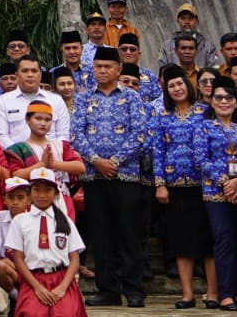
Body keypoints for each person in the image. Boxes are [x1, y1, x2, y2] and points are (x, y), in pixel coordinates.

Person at [71, 47, 147, 307]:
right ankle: (108, 290)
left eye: (108, 66)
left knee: (129, 234)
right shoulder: (82, 98)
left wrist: (113, 162)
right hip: (94, 177)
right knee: (102, 236)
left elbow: (139, 134)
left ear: (119, 69)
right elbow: (76, 135)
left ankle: (134, 289)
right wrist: (96, 161)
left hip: (125, 175)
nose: (102, 71)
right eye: (98, 66)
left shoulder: (132, 98)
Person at [151, 66, 213, 309]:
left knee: (208, 240)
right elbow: (158, 151)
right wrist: (160, 185)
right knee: (181, 240)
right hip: (174, 186)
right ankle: (187, 294)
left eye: (180, 84)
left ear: (188, 85)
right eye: (171, 86)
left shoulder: (205, 112)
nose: (177, 89)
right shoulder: (163, 116)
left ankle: (213, 292)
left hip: (204, 186)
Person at [196, 77, 237, 312]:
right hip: (215, 192)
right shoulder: (203, 126)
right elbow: (200, 160)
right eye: (218, 97)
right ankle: (224, 293)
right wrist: (225, 183)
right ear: (211, 100)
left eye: (229, 97)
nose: (224, 101)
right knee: (224, 240)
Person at [6, 168, 87, 317]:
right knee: (32, 313)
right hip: (33, 279)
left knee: (66, 313)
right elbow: (18, 258)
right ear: (29, 194)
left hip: (62, 278)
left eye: (48, 190)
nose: (42, 195)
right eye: (37, 190)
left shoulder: (64, 220)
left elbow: (74, 258)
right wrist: (37, 287)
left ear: (56, 193)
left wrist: (63, 287)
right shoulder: (20, 221)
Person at [0, 101, 83, 220]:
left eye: (47, 120)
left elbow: (80, 167)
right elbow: (15, 175)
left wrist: (55, 164)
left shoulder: (60, 146)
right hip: (32, 202)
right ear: (28, 120)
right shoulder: (18, 149)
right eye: (38, 118)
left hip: (62, 200)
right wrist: (41, 164)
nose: (43, 123)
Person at [0, 55, 73, 145]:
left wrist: (51, 152)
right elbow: (1, 137)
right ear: (17, 75)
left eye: (34, 71)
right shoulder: (2, 102)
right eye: (25, 71)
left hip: (52, 156)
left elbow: (63, 135)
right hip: (15, 157)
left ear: (40, 75)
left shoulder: (56, 101)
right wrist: (25, 155)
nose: (30, 75)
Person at [115, 36, 161, 104]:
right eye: (124, 49)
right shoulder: (112, 73)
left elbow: (159, 99)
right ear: (118, 52)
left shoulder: (150, 75)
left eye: (132, 49)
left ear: (139, 54)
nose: (128, 52)